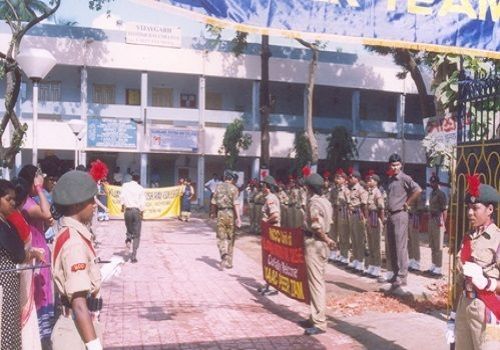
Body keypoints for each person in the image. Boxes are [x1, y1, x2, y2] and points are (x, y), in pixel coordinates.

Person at [50, 170, 104, 350]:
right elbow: (80, 304)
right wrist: (95, 346)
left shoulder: (69, 234)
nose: (94, 205)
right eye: (90, 200)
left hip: (77, 326)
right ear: (76, 205)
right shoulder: (74, 243)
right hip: (77, 330)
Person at [446, 176, 499, 350]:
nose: (470, 213)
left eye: (475, 208)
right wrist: (453, 317)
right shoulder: (467, 238)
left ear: (490, 209)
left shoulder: (497, 240)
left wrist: (489, 283)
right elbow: (459, 280)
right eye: (469, 208)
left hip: (487, 309)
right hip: (464, 305)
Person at [0, 179, 45, 350]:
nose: (12, 202)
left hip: (10, 283)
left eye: (13, 199)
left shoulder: (7, 222)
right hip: (4, 285)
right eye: (7, 199)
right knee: (5, 329)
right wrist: (31, 253)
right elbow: (18, 254)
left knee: (11, 328)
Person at [18, 164, 55, 348]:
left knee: (45, 291)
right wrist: (40, 188)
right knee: (38, 293)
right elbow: (47, 213)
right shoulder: (27, 203)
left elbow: (47, 219)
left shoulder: (31, 201)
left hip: (41, 251)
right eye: (37, 179)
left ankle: (44, 334)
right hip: (35, 254)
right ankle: (40, 337)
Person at [297, 173, 334, 336]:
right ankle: (314, 316)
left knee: (316, 283)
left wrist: (327, 239)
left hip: (315, 243)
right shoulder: (325, 201)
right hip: (320, 245)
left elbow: (317, 227)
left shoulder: (313, 203)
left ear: (310, 188)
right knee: (315, 281)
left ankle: (319, 322)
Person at [384, 153, 422, 288]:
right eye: (393, 165)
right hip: (390, 215)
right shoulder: (390, 179)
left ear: (401, 165)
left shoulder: (404, 178)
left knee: (400, 246)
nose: (395, 167)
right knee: (392, 245)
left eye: (397, 165)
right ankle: (395, 273)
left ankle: (402, 276)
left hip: (400, 214)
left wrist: (408, 203)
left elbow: (417, 189)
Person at [211, 171, 241, 270]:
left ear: (224, 178)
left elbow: (213, 202)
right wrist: (239, 219)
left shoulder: (218, 187)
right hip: (231, 215)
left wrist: (213, 213)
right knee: (230, 238)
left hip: (220, 214)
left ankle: (223, 254)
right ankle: (229, 262)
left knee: (221, 237)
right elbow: (236, 204)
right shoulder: (234, 188)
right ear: (232, 179)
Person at [119, 174, 146, 263]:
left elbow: (121, 197)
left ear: (131, 178)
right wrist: (142, 212)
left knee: (129, 230)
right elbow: (142, 202)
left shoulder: (125, 186)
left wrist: (123, 207)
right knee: (137, 234)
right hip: (136, 211)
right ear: (138, 180)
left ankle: (128, 243)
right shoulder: (140, 188)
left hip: (128, 211)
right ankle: (133, 256)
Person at [347, 168, 368, 273]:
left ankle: (360, 262)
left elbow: (364, 204)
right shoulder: (352, 189)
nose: (350, 179)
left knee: (359, 239)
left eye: (352, 177)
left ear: (357, 178)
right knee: (354, 238)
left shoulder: (361, 189)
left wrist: (364, 217)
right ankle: (355, 260)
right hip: (352, 215)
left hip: (359, 215)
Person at [426, 174, 448, 277]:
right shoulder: (432, 193)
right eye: (431, 182)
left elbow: (444, 210)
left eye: (434, 182)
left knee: (438, 244)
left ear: (437, 183)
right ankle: (433, 264)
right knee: (433, 243)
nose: (432, 184)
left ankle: (438, 267)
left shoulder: (441, 194)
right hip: (432, 219)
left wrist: (444, 223)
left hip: (439, 220)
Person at [364, 171, 385, 278]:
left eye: (371, 180)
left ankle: (377, 266)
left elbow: (381, 208)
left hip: (375, 218)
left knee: (376, 244)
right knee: (370, 243)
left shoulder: (377, 193)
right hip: (370, 219)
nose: (368, 181)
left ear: (376, 182)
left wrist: (381, 222)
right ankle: (372, 265)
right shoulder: (369, 192)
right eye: (368, 180)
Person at [330, 168, 350, 265]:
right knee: (333, 233)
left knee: (343, 234)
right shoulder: (333, 190)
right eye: (336, 177)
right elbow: (331, 201)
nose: (337, 179)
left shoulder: (346, 191)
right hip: (335, 211)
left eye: (339, 177)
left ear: (344, 180)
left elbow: (349, 203)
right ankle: (333, 252)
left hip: (343, 212)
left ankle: (344, 255)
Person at [408, 191, 426, 272]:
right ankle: (411, 260)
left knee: (415, 241)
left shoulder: (417, 193)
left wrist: (419, 221)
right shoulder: (407, 192)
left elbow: (421, 209)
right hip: (408, 218)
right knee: (409, 241)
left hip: (414, 218)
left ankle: (417, 262)